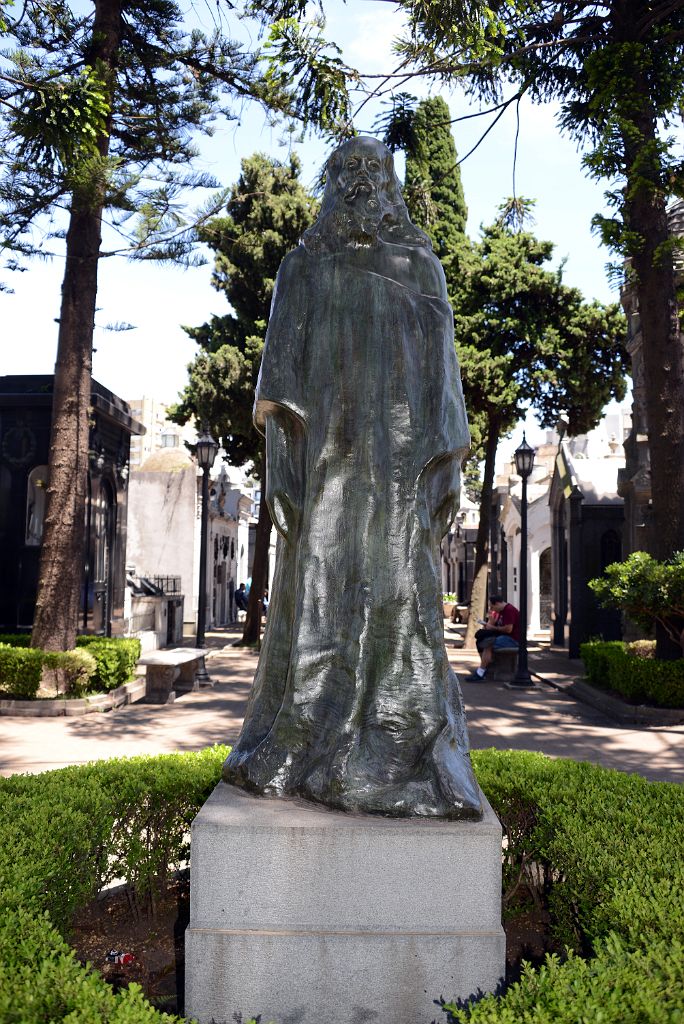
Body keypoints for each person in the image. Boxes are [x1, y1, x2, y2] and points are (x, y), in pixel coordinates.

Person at [223, 136, 481, 820]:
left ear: (389, 183)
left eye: (373, 169)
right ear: (331, 182)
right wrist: (280, 466)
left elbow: (446, 366)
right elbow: (279, 375)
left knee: (404, 598)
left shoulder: (418, 258)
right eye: (348, 169)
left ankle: (402, 741)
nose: (361, 180)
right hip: (328, 467)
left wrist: (448, 462)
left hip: (399, 475)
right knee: (316, 593)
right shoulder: (303, 264)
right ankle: (301, 740)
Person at [466, 596, 519, 681]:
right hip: (505, 637)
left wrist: (494, 628)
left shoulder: (509, 610)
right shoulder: (501, 612)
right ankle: (485, 667)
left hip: (513, 639)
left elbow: (508, 629)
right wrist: (491, 621)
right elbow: (497, 626)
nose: (492, 609)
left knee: (488, 643)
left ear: (497, 604)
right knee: (481, 640)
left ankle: (481, 672)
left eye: (492, 607)